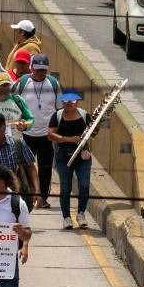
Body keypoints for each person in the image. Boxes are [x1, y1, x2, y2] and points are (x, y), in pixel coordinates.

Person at [13, 54, 62, 209]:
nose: (40, 73)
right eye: (38, 69)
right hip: (27, 134)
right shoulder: (22, 82)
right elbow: (11, 103)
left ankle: (43, 198)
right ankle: (27, 196)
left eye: (43, 70)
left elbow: (59, 108)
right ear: (31, 67)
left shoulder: (53, 83)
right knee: (26, 166)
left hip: (46, 135)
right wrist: (18, 121)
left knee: (46, 167)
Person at [47, 91, 92, 229]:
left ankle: (81, 213)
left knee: (84, 185)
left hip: (82, 156)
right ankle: (66, 217)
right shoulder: (58, 116)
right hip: (63, 156)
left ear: (77, 101)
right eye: (66, 101)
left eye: (72, 101)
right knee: (65, 188)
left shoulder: (85, 115)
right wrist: (68, 139)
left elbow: (93, 132)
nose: (69, 104)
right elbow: (50, 135)